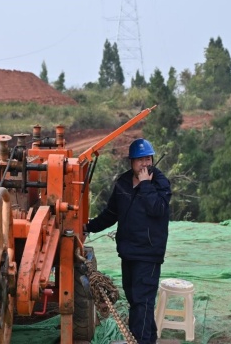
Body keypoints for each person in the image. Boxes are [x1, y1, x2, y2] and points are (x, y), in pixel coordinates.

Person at [84, 138, 172, 344]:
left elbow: (158, 209)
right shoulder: (123, 182)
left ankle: (138, 341)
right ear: (131, 162)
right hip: (128, 251)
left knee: (142, 301)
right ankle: (147, 339)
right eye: (140, 160)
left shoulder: (159, 182)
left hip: (149, 253)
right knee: (136, 301)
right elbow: (111, 213)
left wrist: (145, 185)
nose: (144, 164)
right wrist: (89, 227)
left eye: (148, 159)